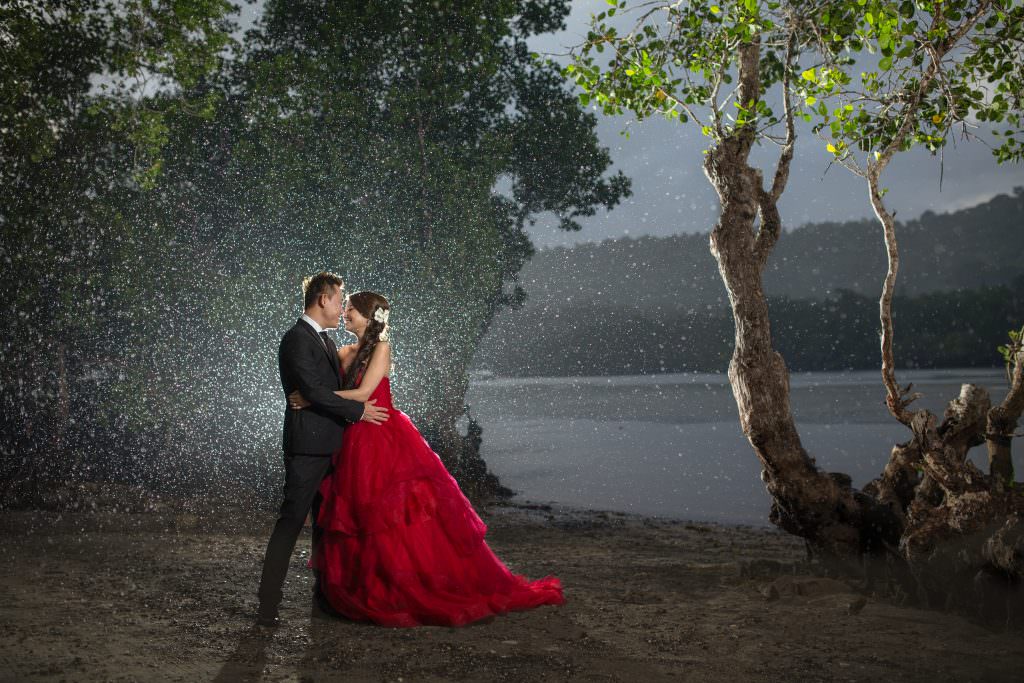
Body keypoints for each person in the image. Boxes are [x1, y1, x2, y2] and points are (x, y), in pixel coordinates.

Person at [288, 290, 564, 627]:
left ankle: (401, 583)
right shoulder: (344, 351)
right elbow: (341, 394)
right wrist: (318, 398)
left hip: (382, 435)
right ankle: (355, 586)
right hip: (353, 435)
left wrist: (313, 399)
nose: (345, 312)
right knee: (358, 516)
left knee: (393, 516)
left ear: (369, 316)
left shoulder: (382, 348)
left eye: (352, 309)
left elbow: (362, 394)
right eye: (344, 307)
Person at [256, 273, 390, 628]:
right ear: (323, 299)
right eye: (339, 298)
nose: (342, 306)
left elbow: (324, 391)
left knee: (326, 527)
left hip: (333, 447)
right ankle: (268, 604)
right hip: (307, 449)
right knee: (290, 522)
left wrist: (347, 405)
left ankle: (324, 598)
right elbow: (314, 391)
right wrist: (359, 411)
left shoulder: (326, 342)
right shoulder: (297, 339)